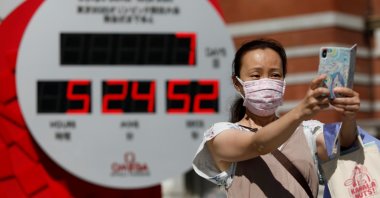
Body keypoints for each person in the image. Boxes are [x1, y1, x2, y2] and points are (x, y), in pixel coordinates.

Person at [192, 38, 361, 197]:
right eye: (256, 75)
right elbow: (258, 144)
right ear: (237, 83)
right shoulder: (221, 134)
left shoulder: (308, 131)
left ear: (283, 81)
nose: (266, 82)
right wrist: (302, 110)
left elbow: (345, 145)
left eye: (275, 75)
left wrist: (349, 115)